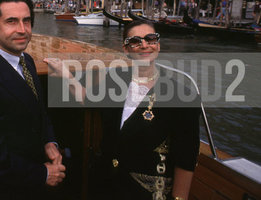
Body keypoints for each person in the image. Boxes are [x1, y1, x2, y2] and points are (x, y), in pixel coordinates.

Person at [46, 20, 200, 200]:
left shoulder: (182, 96)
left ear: (158, 45)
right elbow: (87, 98)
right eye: (136, 41)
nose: (144, 45)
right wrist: (65, 73)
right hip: (105, 186)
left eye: (150, 39)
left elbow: (186, 160)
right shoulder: (116, 80)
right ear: (126, 49)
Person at [0, 0, 65, 200]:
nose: (22, 30)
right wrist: (43, 174)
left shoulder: (26, 61)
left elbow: (39, 112)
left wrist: (49, 141)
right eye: (11, 21)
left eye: (26, 21)